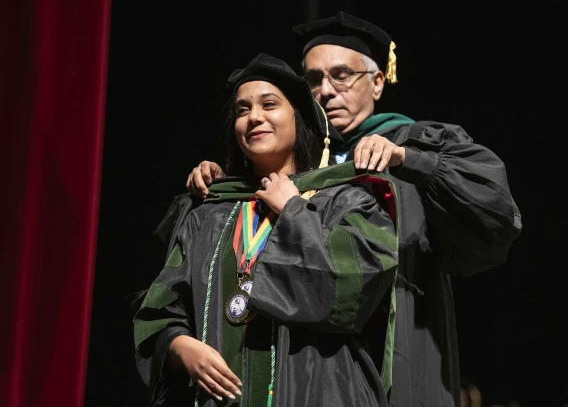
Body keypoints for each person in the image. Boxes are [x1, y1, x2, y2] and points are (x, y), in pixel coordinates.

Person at [179, 12, 523, 407]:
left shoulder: (412, 141)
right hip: (307, 362)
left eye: (342, 75)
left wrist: (408, 160)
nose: (325, 91)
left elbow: (494, 212)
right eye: (312, 79)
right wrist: (225, 181)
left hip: (401, 330)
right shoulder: (301, 163)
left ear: (378, 82)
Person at [134, 52, 401, 406]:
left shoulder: (347, 203)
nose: (254, 117)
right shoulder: (209, 215)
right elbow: (160, 313)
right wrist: (181, 348)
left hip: (321, 393)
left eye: (269, 104)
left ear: (300, 119)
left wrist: (293, 210)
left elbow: (350, 293)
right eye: (242, 110)